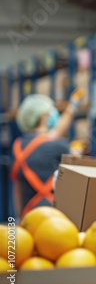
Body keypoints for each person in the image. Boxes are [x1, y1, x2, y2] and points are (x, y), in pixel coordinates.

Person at [11, 90, 84, 218]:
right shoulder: (58, 145)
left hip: (27, 217)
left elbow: (16, 189)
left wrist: (18, 220)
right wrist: (77, 154)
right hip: (53, 221)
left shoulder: (17, 145)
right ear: (45, 116)